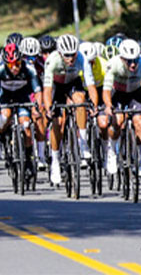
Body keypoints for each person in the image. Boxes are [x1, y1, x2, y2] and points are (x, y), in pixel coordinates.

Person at [42, 34, 99, 182]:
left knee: (80, 100)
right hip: (56, 86)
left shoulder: (82, 58)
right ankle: (55, 161)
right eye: (67, 55)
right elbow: (47, 90)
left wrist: (94, 105)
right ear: (60, 53)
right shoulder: (52, 61)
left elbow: (91, 86)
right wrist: (48, 109)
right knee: (58, 123)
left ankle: (83, 143)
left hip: (73, 83)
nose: (71, 58)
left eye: (73, 54)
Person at [102, 39, 141, 177]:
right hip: (118, 94)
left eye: (135, 60)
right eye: (129, 61)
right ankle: (112, 151)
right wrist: (108, 105)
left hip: (135, 93)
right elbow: (106, 90)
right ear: (122, 58)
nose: (133, 64)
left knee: (140, 122)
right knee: (118, 120)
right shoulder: (113, 64)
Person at [0, 43, 42, 179]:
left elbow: (37, 91)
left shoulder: (29, 69)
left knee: (26, 125)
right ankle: (2, 135)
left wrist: (36, 107)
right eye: (10, 65)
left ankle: (28, 157)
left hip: (22, 96)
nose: (14, 68)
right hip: (5, 96)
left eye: (17, 64)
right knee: (5, 116)